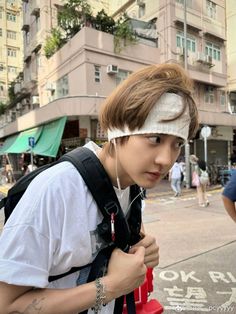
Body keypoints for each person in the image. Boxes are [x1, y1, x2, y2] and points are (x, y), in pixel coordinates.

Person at [0, 63, 199, 313]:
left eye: (177, 143)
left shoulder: (129, 186)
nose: (166, 159)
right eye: (155, 138)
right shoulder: (56, 190)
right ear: (118, 130)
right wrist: (112, 286)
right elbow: (6, 305)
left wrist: (142, 249)